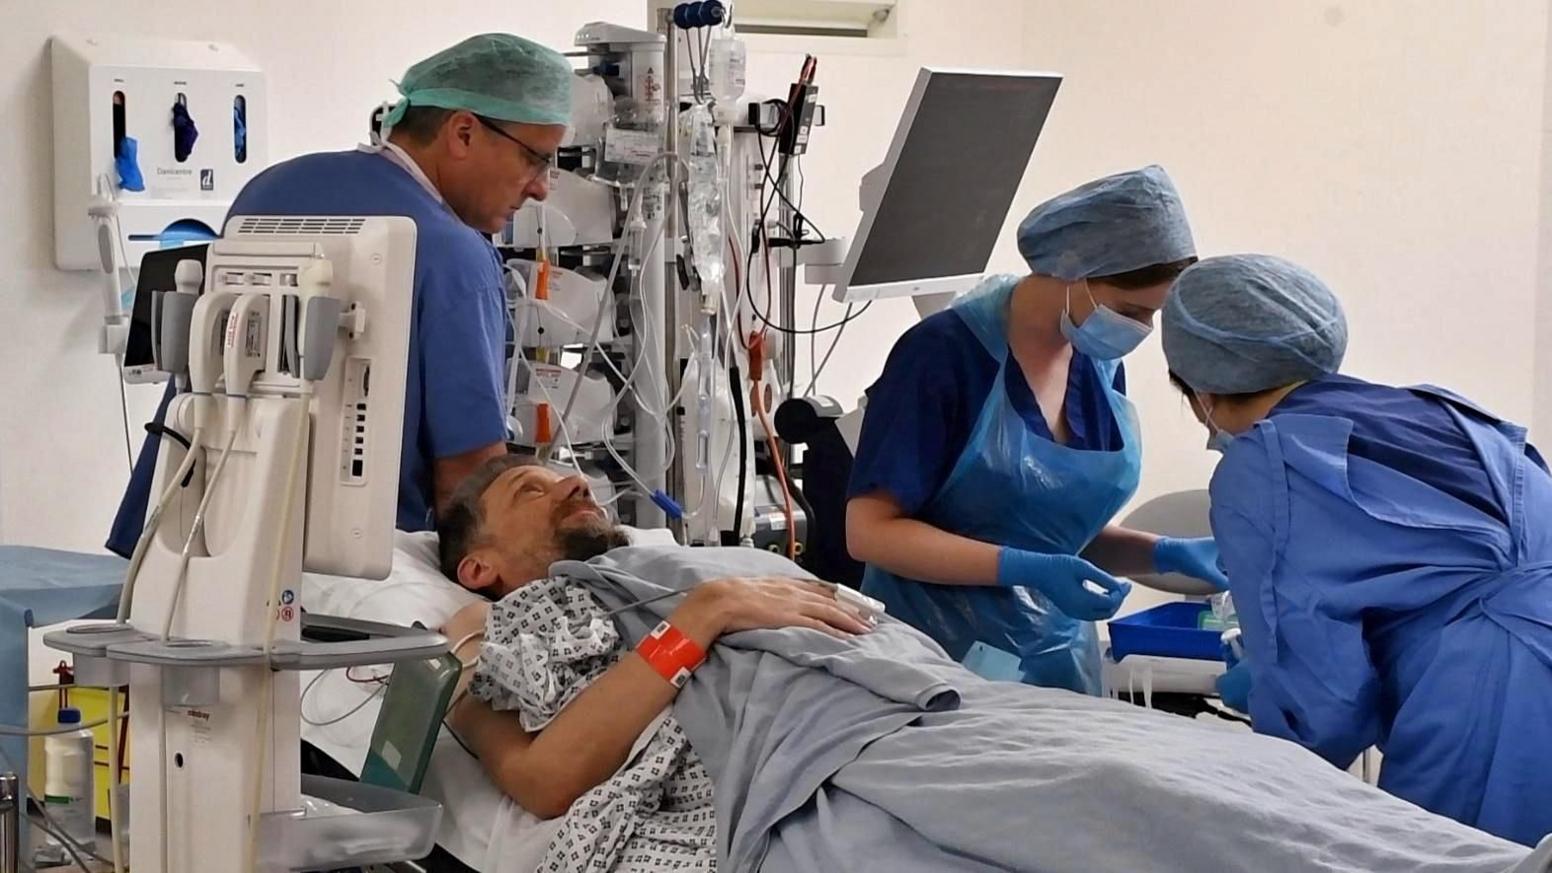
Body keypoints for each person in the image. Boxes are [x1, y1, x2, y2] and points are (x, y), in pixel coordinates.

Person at [426, 455, 1542, 873]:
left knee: (1231, 771)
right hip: (815, 763)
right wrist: (707, 614)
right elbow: (538, 779)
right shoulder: (535, 615)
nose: (568, 478)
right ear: (477, 566)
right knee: (1117, 797)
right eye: (530, 489)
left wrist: (719, 589)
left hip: (926, 707)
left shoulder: (690, 559)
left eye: (566, 469)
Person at [106, 33, 571, 556]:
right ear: (463, 132)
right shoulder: (455, 257)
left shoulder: (271, 188)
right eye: (536, 159)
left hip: (192, 537)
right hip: (360, 579)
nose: (541, 188)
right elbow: (470, 485)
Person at [1161, 253, 1552, 847]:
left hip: (1497, 699)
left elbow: (1322, 708)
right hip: (1517, 655)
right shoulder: (1434, 409)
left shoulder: (1264, 468)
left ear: (1199, 391)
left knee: (1466, 855)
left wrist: (1266, 702)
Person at [844, 166, 1227, 695]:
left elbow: (1047, 533)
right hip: (938, 665)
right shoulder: (944, 358)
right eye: (1133, 311)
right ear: (1075, 269)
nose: (1142, 330)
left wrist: (1161, 553)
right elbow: (870, 532)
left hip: (1057, 667)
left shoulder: (1096, 359)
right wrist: (1029, 568)